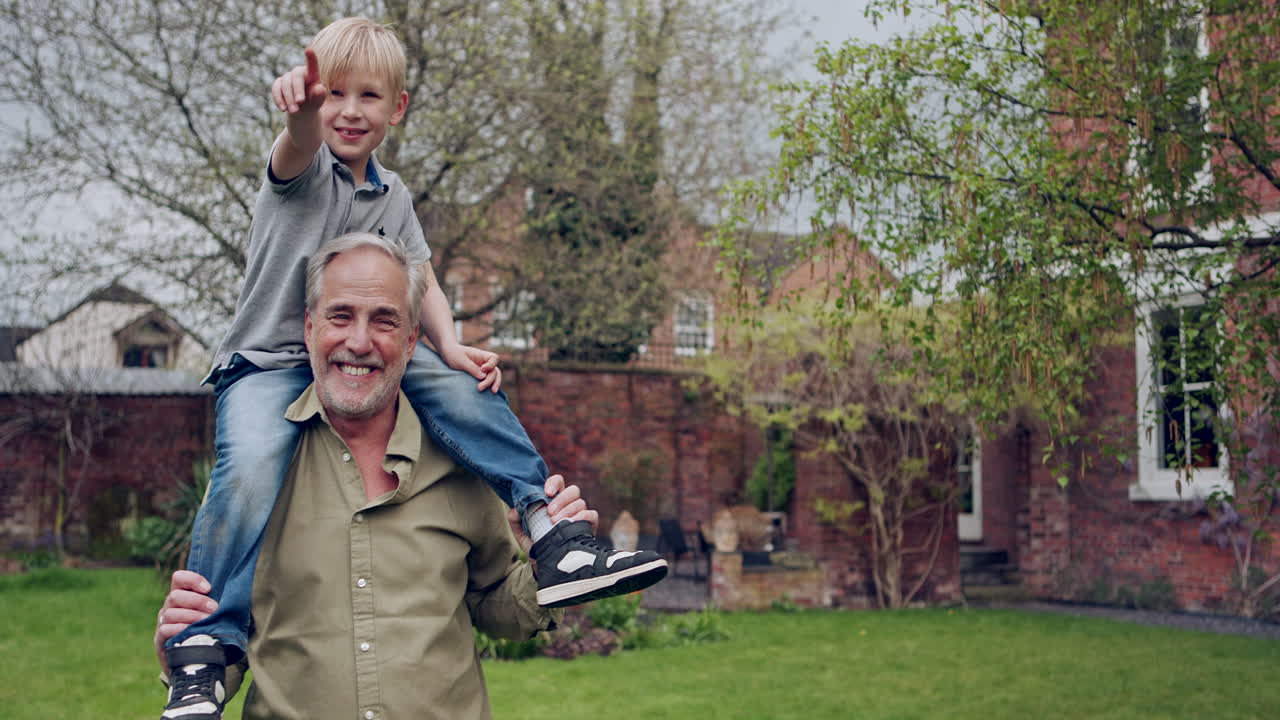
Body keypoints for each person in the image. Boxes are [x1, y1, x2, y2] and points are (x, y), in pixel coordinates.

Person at [161, 17, 666, 720]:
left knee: (466, 393)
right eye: (334, 95)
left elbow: (420, 281)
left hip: (366, 362)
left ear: (396, 108)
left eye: (367, 96)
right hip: (268, 363)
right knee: (245, 467)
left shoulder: (392, 197)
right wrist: (301, 113)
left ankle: (551, 529)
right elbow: (295, 145)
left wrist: (450, 347)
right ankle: (203, 651)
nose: (348, 111)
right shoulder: (302, 174)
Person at [159, 233, 605, 719]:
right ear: (309, 329)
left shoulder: (463, 462)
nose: (359, 342)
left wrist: (542, 572)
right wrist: (178, 649)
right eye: (340, 316)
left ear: (412, 340)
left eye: (384, 321)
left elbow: (492, 602)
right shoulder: (253, 475)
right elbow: (223, 649)